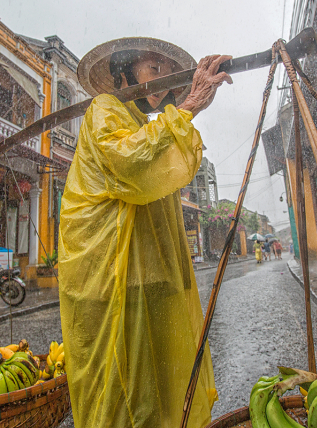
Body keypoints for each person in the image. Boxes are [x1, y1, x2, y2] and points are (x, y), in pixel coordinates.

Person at [59, 37, 232, 428]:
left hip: (146, 274)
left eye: (169, 75)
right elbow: (131, 164)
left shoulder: (143, 123)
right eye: (154, 70)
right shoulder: (105, 109)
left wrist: (188, 102)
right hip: (108, 273)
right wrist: (187, 107)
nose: (163, 81)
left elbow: (161, 164)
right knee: (119, 384)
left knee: (156, 381)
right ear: (123, 72)